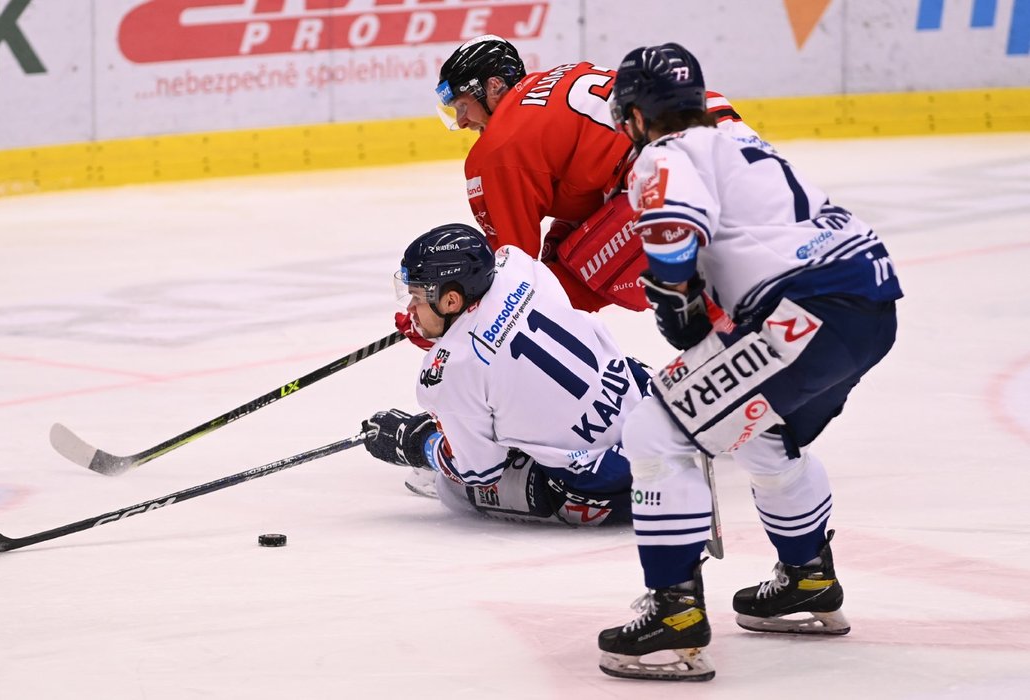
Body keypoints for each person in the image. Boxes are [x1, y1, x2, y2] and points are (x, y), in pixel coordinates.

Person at [594, 43, 903, 681]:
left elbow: (674, 229)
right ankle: (807, 579)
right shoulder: (738, 139)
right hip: (870, 305)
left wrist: (676, 300)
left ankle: (673, 614)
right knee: (766, 432)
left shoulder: (664, 153)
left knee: (657, 428)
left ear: (635, 115)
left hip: (804, 314)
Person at [426, 34, 756, 317]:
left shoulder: (499, 148)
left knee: (558, 288)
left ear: (493, 87)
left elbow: (515, 271)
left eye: (463, 106)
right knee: (563, 257)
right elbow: (594, 175)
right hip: (727, 134)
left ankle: (739, 333)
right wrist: (564, 231)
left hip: (674, 167)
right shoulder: (556, 78)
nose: (463, 122)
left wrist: (450, 314)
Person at [361, 224, 651, 526]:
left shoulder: (448, 371)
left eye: (417, 297)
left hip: (614, 486)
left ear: (450, 301)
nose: (410, 308)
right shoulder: (519, 266)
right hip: (647, 408)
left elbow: (480, 473)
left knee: (452, 489)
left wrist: (417, 443)